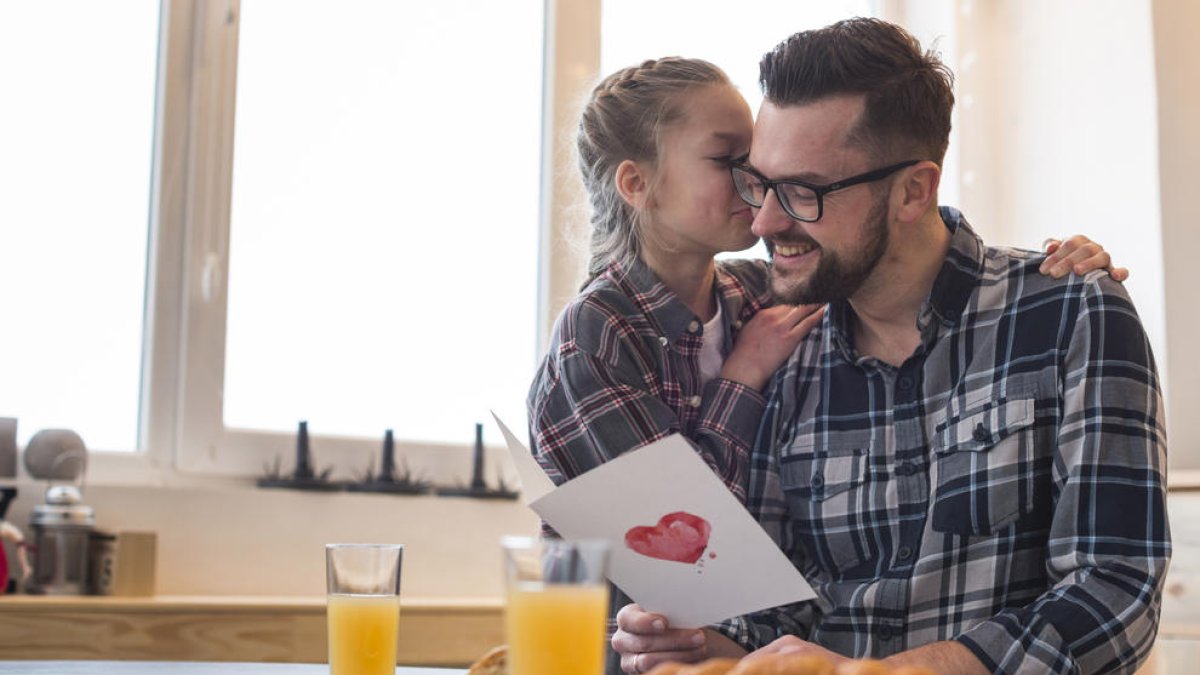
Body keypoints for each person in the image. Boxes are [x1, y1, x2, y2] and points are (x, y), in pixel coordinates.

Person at [528, 53, 1128, 675]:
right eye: (742, 172)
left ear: (913, 190)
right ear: (636, 184)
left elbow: (1111, 584)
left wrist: (1068, 267)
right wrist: (744, 377)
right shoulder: (599, 337)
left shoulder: (764, 297)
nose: (760, 213)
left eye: (796, 188)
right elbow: (699, 543)